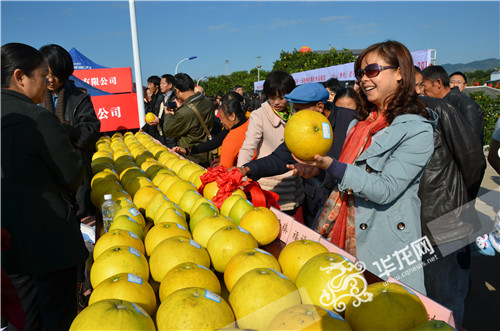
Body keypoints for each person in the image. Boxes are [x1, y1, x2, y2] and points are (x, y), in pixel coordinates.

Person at [288, 40, 436, 294]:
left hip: (382, 246)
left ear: (400, 72)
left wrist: (332, 165)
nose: (363, 79)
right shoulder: (358, 125)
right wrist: (317, 172)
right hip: (341, 233)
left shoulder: (417, 131)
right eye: (360, 73)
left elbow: (385, 189)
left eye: (372, 70)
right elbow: (344, 179)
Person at [1, 42, 89, 331]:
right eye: (41, 76)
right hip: (48, 242)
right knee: (57, 318)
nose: (46, 84)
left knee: (23, 318)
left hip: (8, 243)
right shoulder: (39, 118)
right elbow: (71, 174)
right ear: (20, 76)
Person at [238, 83, 355, 227]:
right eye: (293, 109)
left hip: (349, 207)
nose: (294, 115)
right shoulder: (301, 126)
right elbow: (280, 158)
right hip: (315, 204)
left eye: (298, 110)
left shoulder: (352, 120)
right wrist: (247, 169)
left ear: (319, 107)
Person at [416, 92, 485, 324]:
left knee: (447, 302)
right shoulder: (380, 118)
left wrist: (459, 201)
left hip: (448, 221)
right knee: (423, 298)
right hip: (412, 225)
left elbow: (473, 161)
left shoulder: (440, 110)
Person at [39, 44, 101, 221]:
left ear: (65, 73)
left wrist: (65, 131)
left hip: (77, 172)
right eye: (46, 73)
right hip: (45, 173)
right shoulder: (34, 97)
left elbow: (91, 131)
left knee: (81, 219)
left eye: (55, 74)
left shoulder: (79, 98)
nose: (50, 79)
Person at [236, 71, 304, 218]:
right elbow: (248, 147)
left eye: (282, 97)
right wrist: (240, 177)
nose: (276, 102)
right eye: (272, 97)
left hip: (295, 186)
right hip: (270, 185)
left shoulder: (297, 112)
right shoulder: (259, 115)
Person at [173, 94, 251, 168]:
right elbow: (215, 142)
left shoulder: (230, 140)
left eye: (222, 118)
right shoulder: (252, 123)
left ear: (232, 116)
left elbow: (224, 169)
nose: (221, 121)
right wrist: (188, 150)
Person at [422, 65, 484, 145]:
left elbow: (472, 143)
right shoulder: (437, 104)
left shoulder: (465, 105)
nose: (422, 91)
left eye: (424, 86)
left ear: (438, 83)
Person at [163, 73, 215, 167]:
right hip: (208, 152)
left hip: (193, 157)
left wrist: (168, 115)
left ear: (177, 90)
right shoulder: (207, 101)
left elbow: (169, 129)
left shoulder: (185, 112)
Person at [145, 74, 177, 148]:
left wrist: (159, 121)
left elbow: (175, 119)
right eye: (160, 83)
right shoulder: (161, 97)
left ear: (170, 85)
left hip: (171, 138)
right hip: (161, 134)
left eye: (163, 83)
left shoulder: (175, 99)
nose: (160, 85)